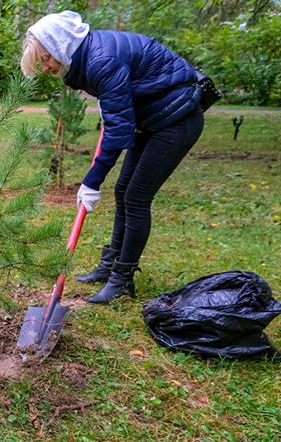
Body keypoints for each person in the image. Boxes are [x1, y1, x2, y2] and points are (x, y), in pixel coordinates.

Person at [20, 11, 205, 303]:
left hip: (177, 119)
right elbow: (117, 116)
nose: (45, 68)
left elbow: (118, 130)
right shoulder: (87, 57)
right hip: (151, 119)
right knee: (123, 190)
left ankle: (122, 279)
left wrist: (92, 181)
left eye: (45, 59)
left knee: (136, 197)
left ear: (61, 47)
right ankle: (109, 266)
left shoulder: (100, 60)